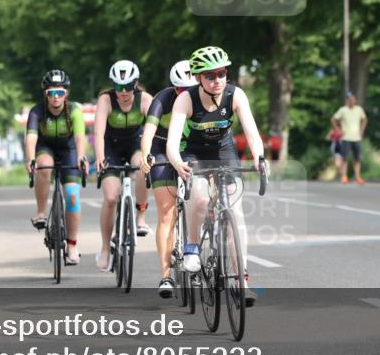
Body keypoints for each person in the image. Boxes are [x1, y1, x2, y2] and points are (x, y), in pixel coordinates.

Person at [165, 46, 268, 307]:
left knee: (236, 211)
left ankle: (241, 280)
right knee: (199, 196)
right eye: (210, 76)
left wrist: (258, 157)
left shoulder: (235, 95)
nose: (217, 80)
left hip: (224, 150)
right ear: (199, 77)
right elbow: (173, 142)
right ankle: (191, 246)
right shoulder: (185, 99)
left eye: (222, 73)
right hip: (194, 153)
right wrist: (177, 163)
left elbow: (253, 133)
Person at [140, 60, 197, 298]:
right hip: (163, 151)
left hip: (192, 149)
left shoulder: (204, 98)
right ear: (173, 89)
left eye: (190, 90)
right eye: (180, 90)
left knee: (202, 205)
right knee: (166, 214)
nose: (185, 94)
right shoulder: (162, 100)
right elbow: (148, 133)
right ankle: (166, 276)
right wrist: (145, 155)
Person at [93, 60, 153, 271]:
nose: (124, 92)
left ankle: (140, 216)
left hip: (136, 144)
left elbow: (155, 128)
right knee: (110, 197)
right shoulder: (106, 100)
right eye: (119, 87)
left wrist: (152, 154)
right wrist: (100, 156)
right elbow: (98, 133)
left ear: (136, 84)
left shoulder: (145, 99)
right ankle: (105, 248)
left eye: (128, 86)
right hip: (111, 148)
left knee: (142, 167)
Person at [25, 69, 89, 265]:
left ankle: (72, 245)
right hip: (47, 147)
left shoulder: (75, 111)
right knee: (44, 165)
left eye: (60, 93)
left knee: (71, 194)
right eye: (51, 93)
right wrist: (30, 159)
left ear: (66, 94)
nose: (56, 98)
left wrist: (81, 157)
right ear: (45, 94)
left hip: (68, 148)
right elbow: (31, 138)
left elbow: (79, 137)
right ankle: (41, 213)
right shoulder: (37, 111)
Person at [331, 91, 368, 184]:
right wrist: (338, 130)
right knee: (345, 158)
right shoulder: (343, 110)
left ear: (355, 100)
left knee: (357, 158)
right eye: (349, 99)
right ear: (347, 100)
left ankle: (357, 177)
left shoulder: (359, 109)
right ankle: (344, 176)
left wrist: (362, 130)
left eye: (353, 99)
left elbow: (364, 119)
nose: (351, 101)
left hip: (356, 138)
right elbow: (333, 119)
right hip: (346, 138)